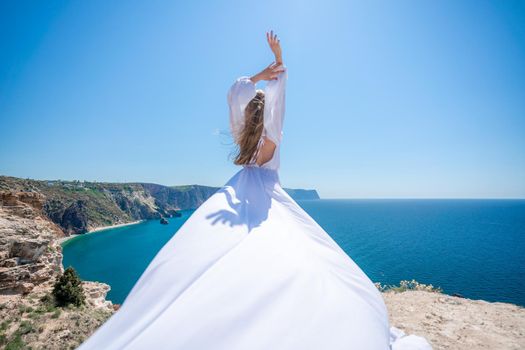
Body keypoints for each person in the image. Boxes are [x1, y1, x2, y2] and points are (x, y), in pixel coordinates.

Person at [78, 31, 432, 350]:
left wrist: (261, 75)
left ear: (245, 115)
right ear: (270, 113)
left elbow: (236, 91)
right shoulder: (272, 136)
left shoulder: (240, 133)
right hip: (270, 200)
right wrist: (280, 65)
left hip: (240, 190)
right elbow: (278, 102)